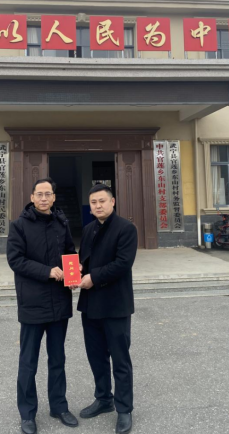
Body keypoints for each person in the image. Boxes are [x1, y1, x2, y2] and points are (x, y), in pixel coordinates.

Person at [7, 177, 79, 434]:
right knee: (28, 361)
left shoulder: (61, 222)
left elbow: (69, 252)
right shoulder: (19, 226)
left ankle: (59, 406)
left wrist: (74, 273)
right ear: (32, 197)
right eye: (39, 194)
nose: (44, 198)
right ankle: (27, 413)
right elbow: (16, 260)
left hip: (59, 302)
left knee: (57, 358)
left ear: (54, 197)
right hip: (33, 303)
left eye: (48, 194)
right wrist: (47, 271)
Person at [76, 183, 138, 434]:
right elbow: (84, 259)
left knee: (120, 359)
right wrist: (79, 269)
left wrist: (93, 277)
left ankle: (124, 409)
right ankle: (103, 399)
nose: (98, 205)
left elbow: (123, 263)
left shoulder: (126, 228)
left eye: (102, 201)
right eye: (93, 202)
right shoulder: (88, 229)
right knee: (96, 356)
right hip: (91, 305)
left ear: (112, 202)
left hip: (115, 305)